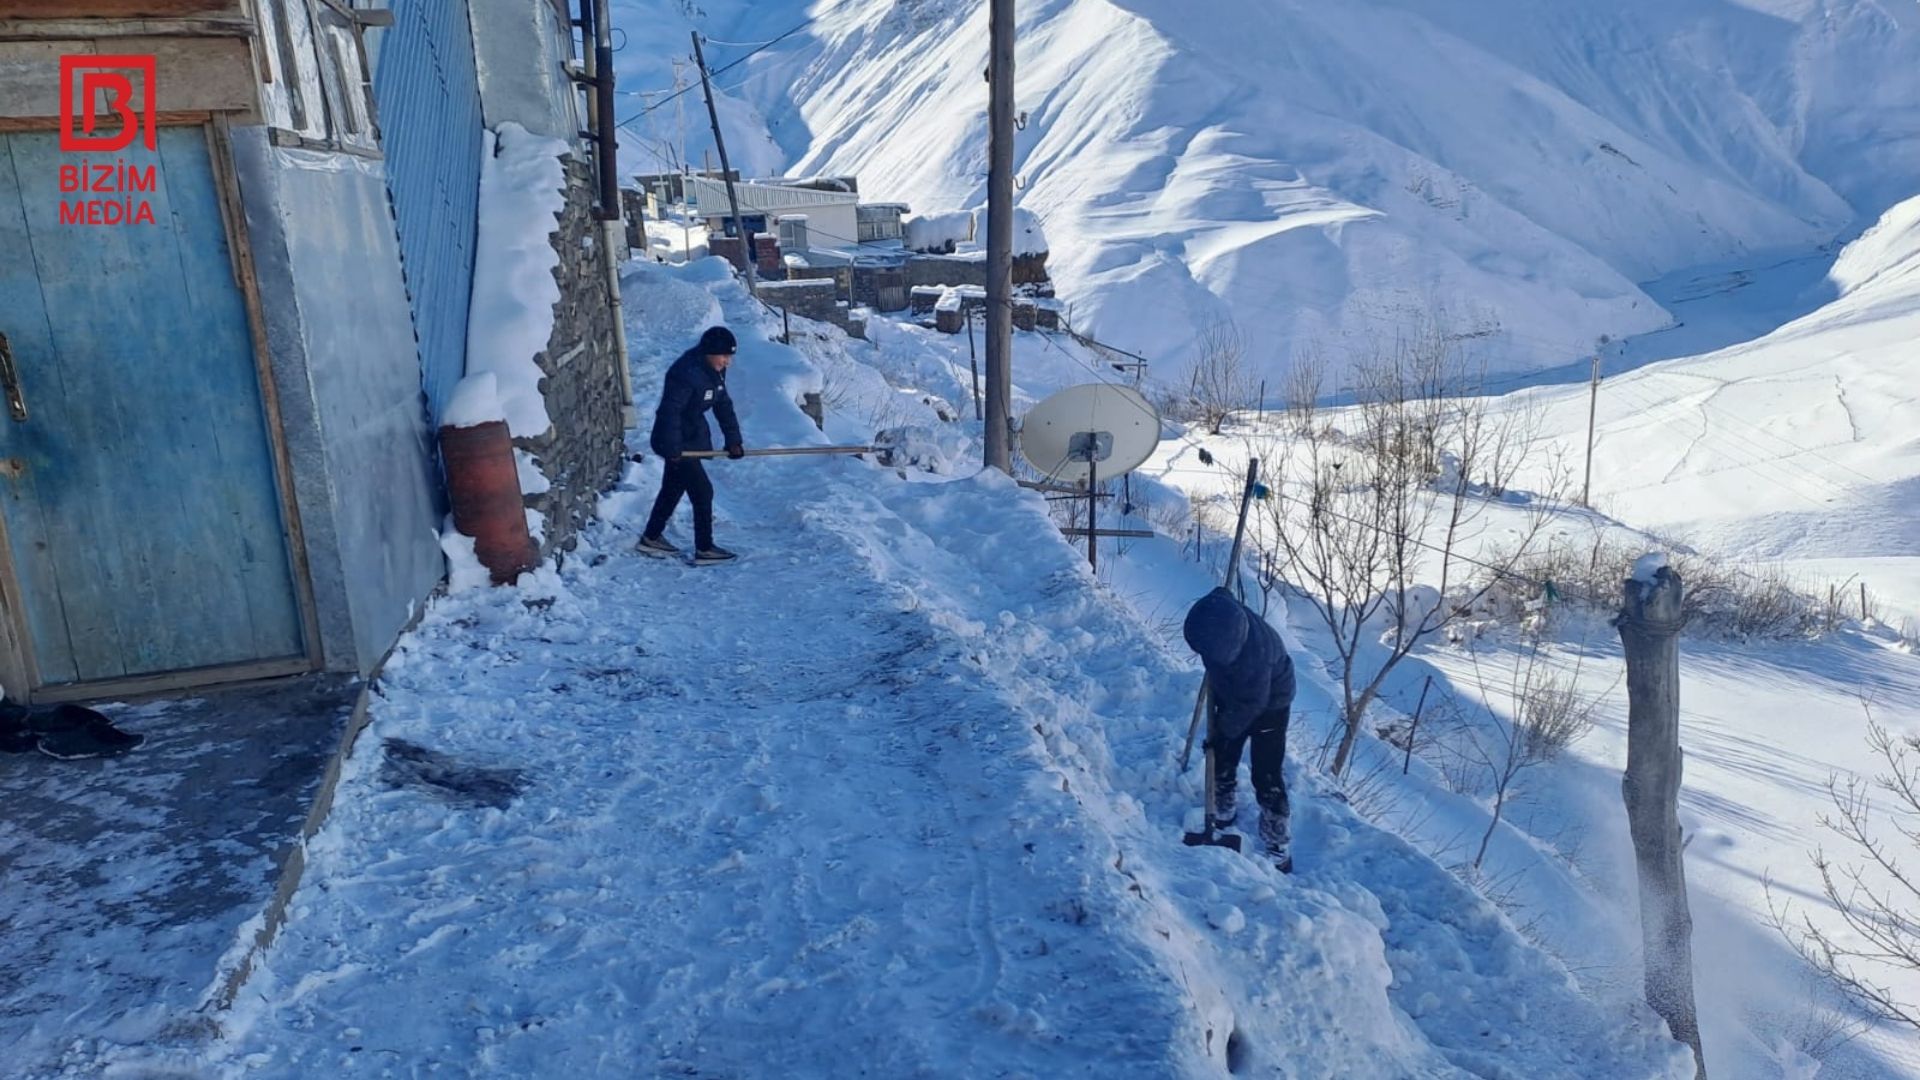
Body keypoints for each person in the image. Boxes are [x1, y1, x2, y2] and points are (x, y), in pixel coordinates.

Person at [1183, 586, 1297, 872]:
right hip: (1233, 687)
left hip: (1272, 702)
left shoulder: (1255, 660)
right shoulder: (1221, 614)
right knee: (1223, 754)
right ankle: (1222, 805)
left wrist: (1223, 734)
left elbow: (1251, 705)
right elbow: (1222, 592)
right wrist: (1222, 739)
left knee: (1266, 772)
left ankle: (1277, 840)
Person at [639, 326, 746, 564]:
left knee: (672, 489)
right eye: (724, 356)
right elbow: (669, 412)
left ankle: (651, 537)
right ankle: (705, 549)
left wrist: (734, 441)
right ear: (710, 352)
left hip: (688, 437)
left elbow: (723, 405)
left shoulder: (714, 371)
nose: (727, 362)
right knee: (702, 491)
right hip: (675, 440)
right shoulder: (686, 373)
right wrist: (672, 448)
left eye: (729, 356)